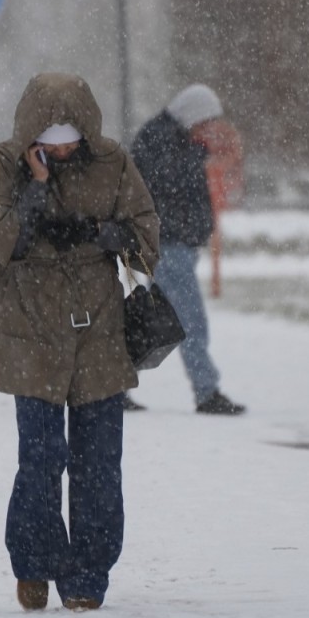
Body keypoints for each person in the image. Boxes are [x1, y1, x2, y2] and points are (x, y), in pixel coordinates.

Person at [0, 72, 160, 612]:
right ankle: (32, 564)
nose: (62, 150)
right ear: (31, 136)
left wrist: (101, 233)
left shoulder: (113, 163)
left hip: (97, 328)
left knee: (99, 458)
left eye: (70, 139)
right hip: (27, 327)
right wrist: (33, 192)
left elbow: (147, 237)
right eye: (50, 142)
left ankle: (88, 574)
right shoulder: (2, 164)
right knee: (41, 455)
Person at [127, 83, 247, 416]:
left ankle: (114, 387)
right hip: (168, 245)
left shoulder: (171, 139)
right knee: (189, 321)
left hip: (167, 242)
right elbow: (170, 191)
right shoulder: (167, 142)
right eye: (207, 120)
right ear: (192, 115)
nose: (211, 128)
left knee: (153, 320)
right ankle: (206, 392)